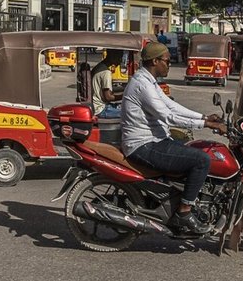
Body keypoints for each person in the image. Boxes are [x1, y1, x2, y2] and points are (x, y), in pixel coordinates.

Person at [121, 42, 226, 233]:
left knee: (193, 147)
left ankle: (178, 199)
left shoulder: (149, 81)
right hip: (143, 145)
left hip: (156, 140)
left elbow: (171, 106)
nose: (170, 65)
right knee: (202, 160)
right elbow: (168, 116)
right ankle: (184, 213)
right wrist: (207, 125)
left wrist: (203, 117)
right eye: (167, 61)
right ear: (155, 61)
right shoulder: (142, 84)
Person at [92, 50, 125, 119]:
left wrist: (124, 88)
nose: (120, 61)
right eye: (119, 58)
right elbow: (108, 97)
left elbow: (106, 89)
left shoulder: (98, 67)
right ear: (112, 56)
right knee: (130, 112)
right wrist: (123, 96)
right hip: (101, 109)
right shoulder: (106, 73)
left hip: (96, 106)